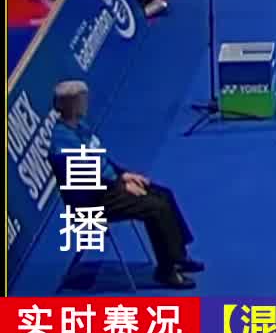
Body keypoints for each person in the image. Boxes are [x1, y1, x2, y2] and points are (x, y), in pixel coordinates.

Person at [49, 80, 201, 288]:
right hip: (92, 201)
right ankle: (166, 272)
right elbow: (86, 180)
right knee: (156, 207)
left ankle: (178, 256)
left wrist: (124, 175)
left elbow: (101, 161)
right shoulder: (63, 141)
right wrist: (120, 186)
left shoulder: (80, 127)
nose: (87, 103)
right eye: (83, 99)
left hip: (107, 188)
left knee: (163, 194)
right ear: (72, 105)